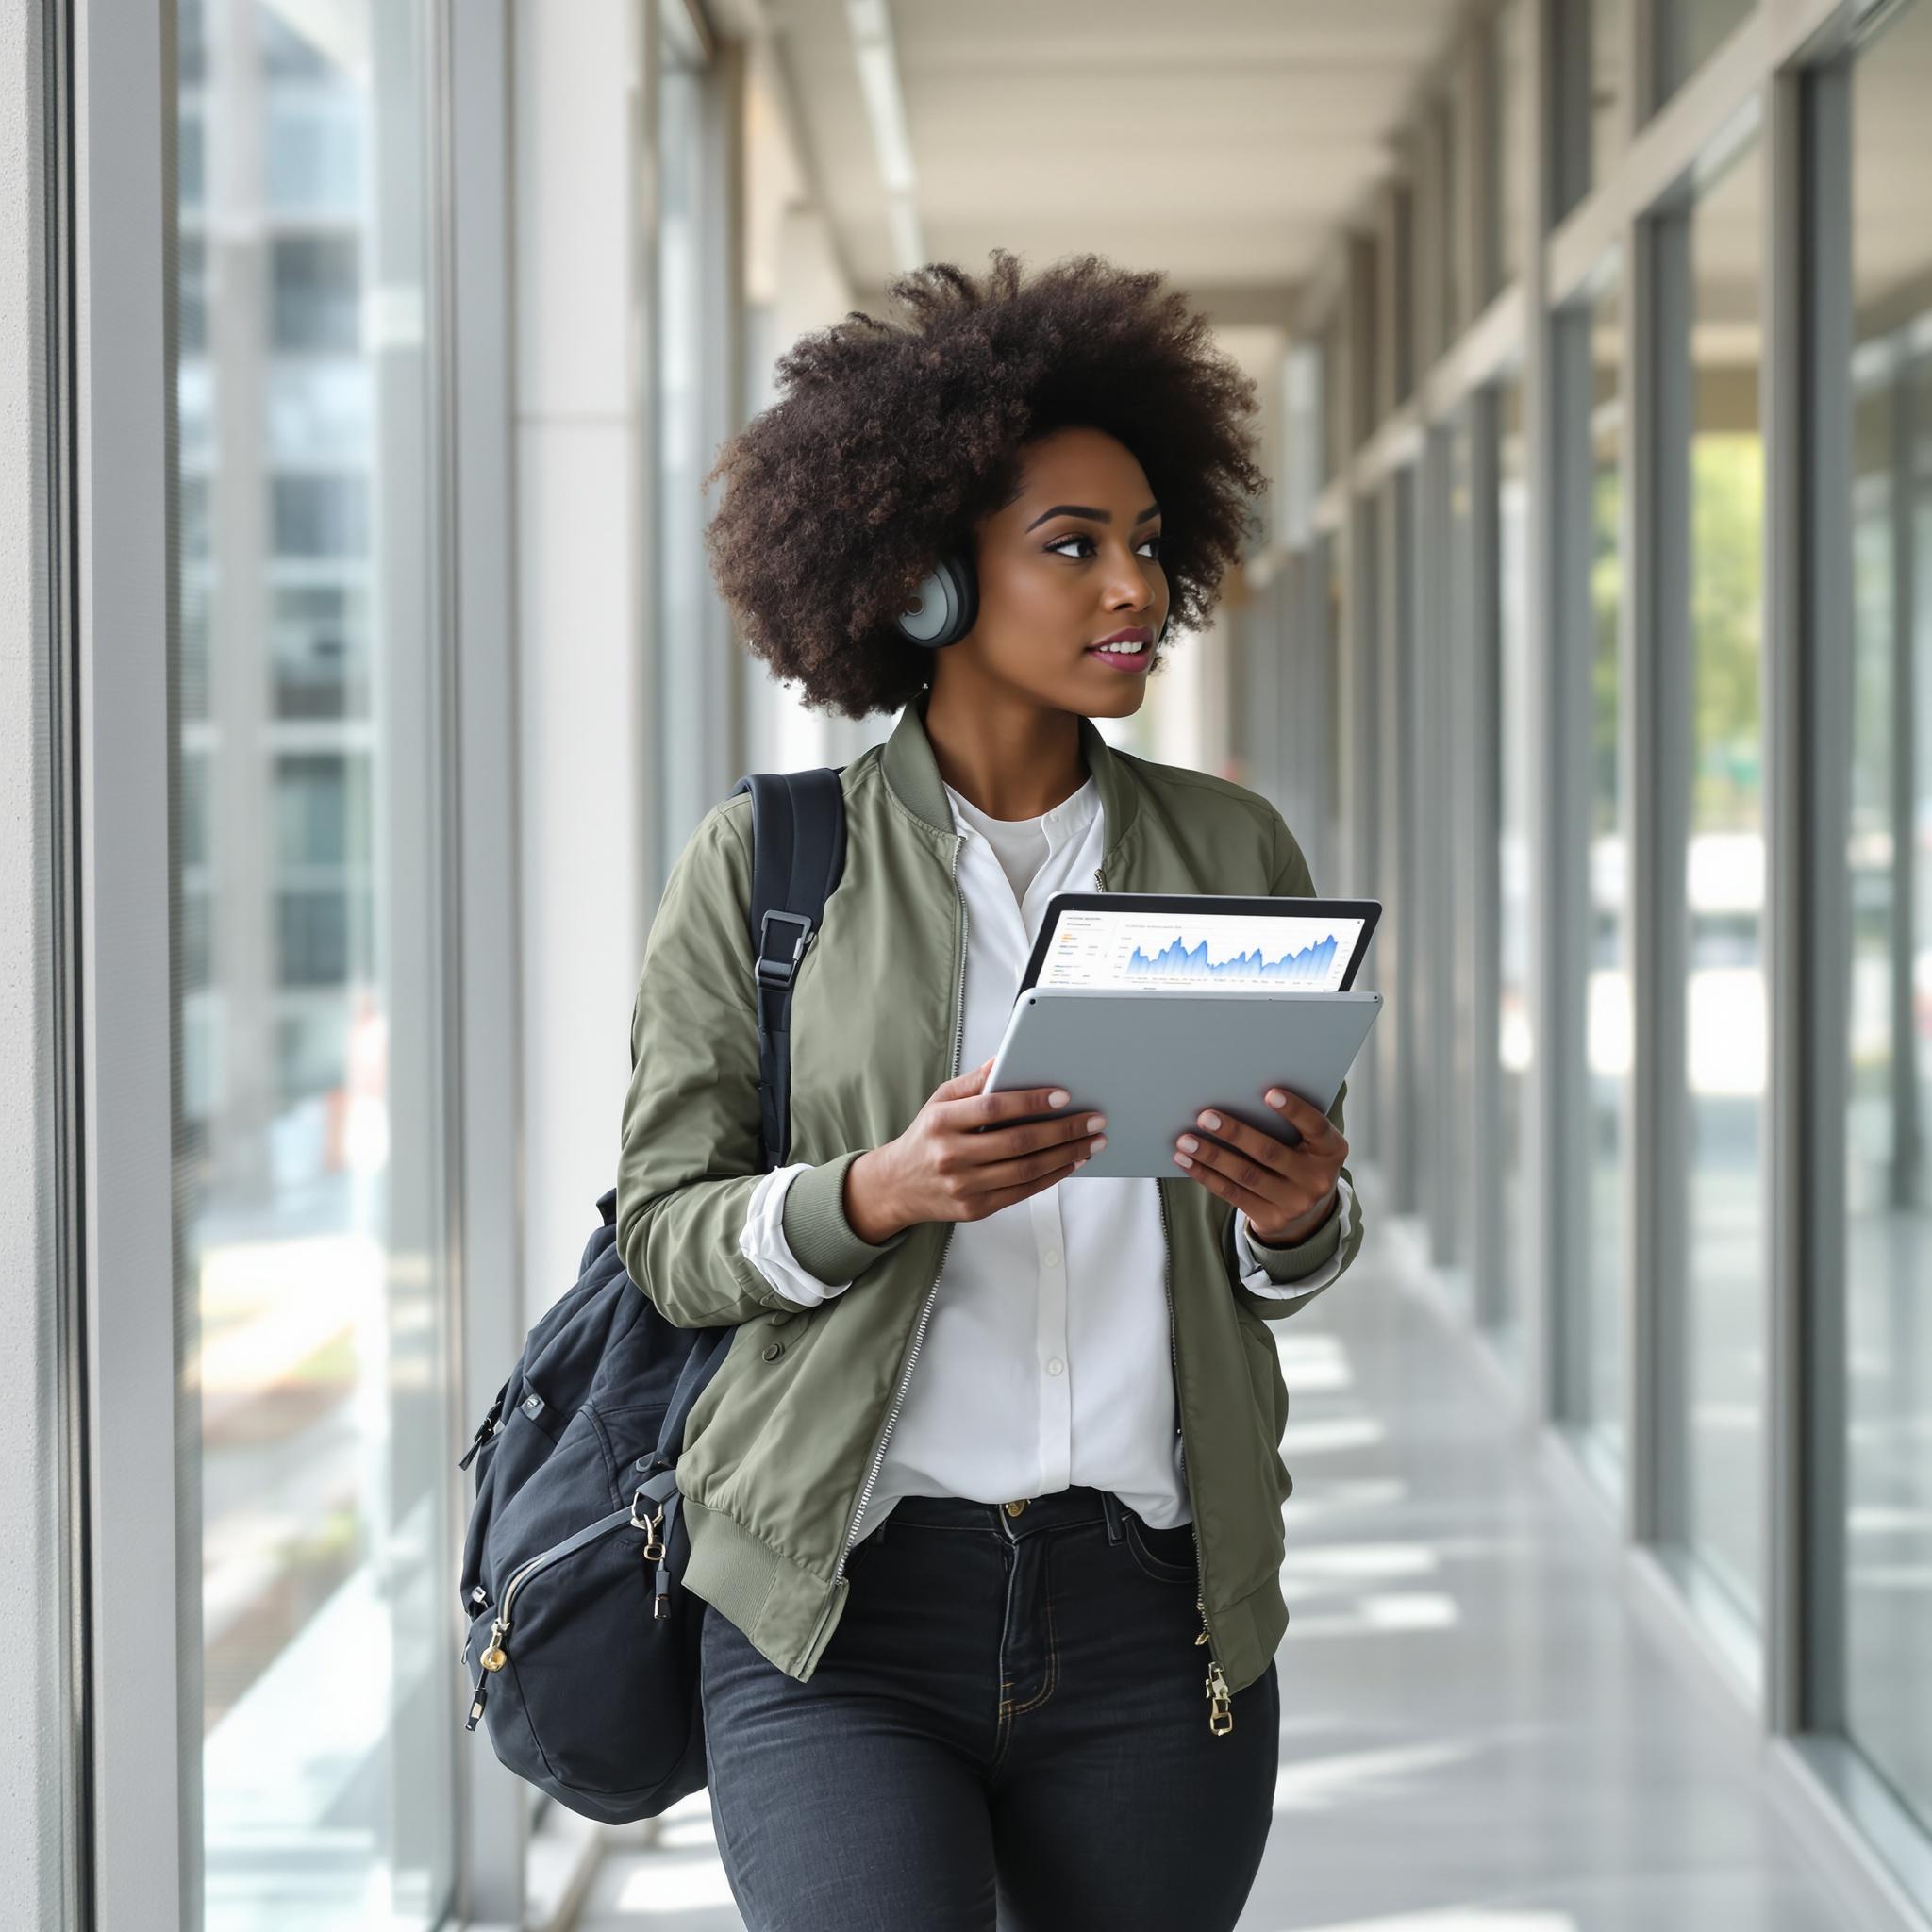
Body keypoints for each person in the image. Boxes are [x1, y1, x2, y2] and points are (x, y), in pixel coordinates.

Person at [616, 249, 1367, 1932]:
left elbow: (1287, 1259)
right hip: (839, 1606)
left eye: (1148, 544)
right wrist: (875, 1194)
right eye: (1072, 546)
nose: (1134, 587)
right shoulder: (768, 864)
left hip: (1154, 1614)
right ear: (927, 579)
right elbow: (668, 1237)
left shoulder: (1231, 850)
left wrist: (1295, 1215)